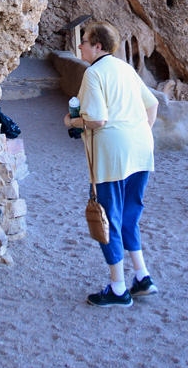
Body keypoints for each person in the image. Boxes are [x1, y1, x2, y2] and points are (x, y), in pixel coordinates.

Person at [63, 20, 158, 307]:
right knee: (130, 213)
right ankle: (142, 276)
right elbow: (152, 104)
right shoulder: (126, 69)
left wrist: (71, 121)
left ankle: (118, 289)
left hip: (113, 155)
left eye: (85, 41)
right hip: (141, 149)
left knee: (108, 216)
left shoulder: (93, 73)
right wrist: (138, 134)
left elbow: (97, 119)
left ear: (97, 47)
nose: (80, 46)